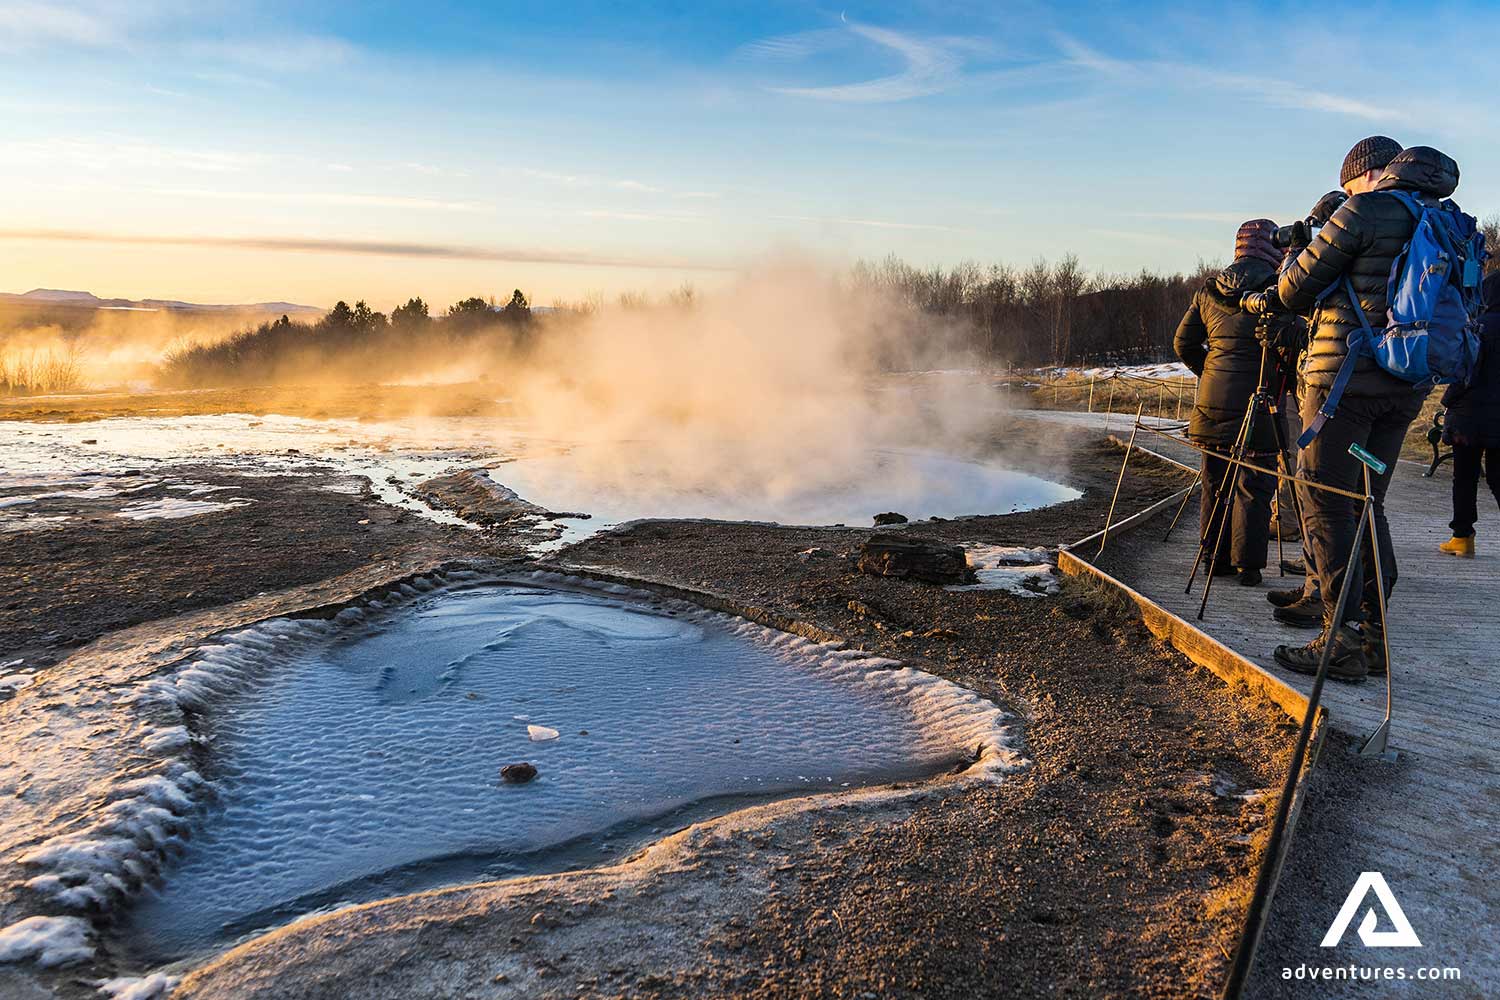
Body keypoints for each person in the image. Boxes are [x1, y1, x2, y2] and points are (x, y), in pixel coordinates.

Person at [1270, 141, 1464, 681]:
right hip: (1404, 391)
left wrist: (1299, 245)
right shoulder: (1448, 220)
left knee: (1327, 501)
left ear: (1374, 174)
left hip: (1343, 388)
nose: (1349, 189)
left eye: (1351, 180)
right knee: (1366, 503)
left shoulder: (1363, 209)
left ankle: (1342, 638)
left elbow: (1292, 290)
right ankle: (1374, 637)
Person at [1173, 220, 1281, 586]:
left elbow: (1182, 344)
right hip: (1260, 400)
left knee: (1214, 481)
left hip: (1212, 402)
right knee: (1255, 485)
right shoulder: (1279, 289)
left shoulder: (1209, 290)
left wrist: (1210, 373)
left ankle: (1212, 560)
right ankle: (1247, 568)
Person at [1437, 271, 1500, 555]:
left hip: (1468, 417)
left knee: (1465, 476)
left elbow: (1464, 372)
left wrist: (1448, 400)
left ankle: (1463, 538)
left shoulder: (1477, 327)